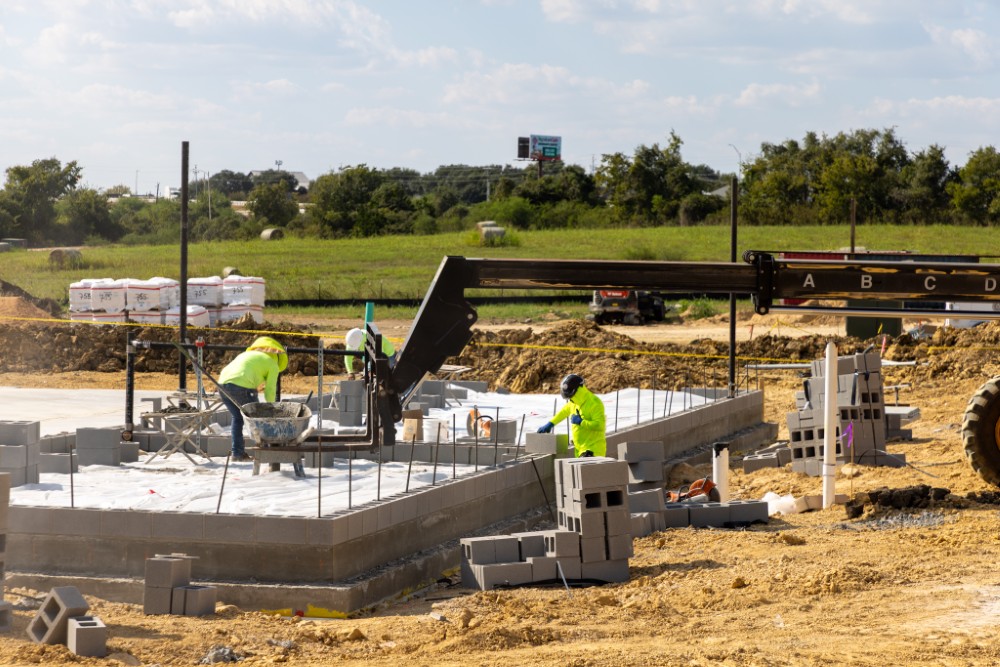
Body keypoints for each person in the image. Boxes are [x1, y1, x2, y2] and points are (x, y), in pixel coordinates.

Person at [217, 336, 288, 461]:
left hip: (222, 384)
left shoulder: (246, 355)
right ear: (277, 357)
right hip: (242, 386)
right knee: (258, 419)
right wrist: (271, 409)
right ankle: (265, 452)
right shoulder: (273, 365)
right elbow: (270, 390)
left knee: (238, 418)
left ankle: (237, 453)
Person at [536, 373, 607, 457]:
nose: (570, 399)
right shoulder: (574, 402)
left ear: (577, 391)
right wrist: (550, 424)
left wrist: (581, 422)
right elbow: (563, 412)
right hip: (580, 449)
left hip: (593, 450)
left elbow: (600, 425)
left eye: (570, 396)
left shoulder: (594, 403)